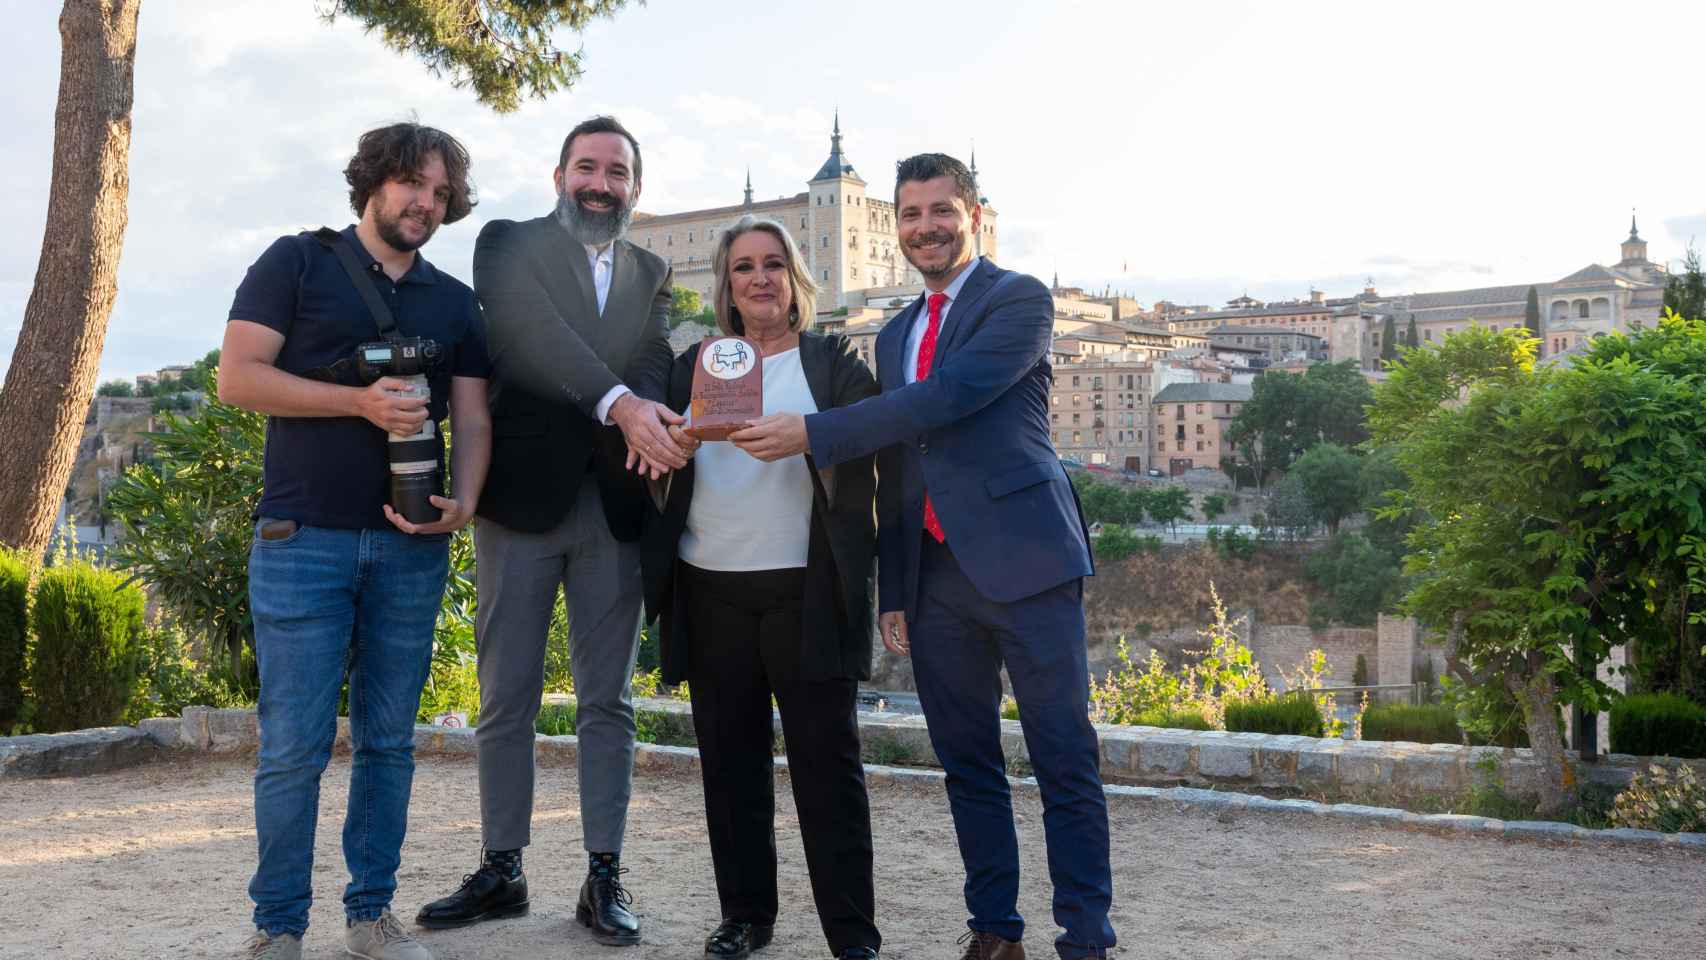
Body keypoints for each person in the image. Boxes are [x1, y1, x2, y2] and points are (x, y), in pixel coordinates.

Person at [732, 154, 1116, 960]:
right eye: (909, 215)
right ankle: (994, 932)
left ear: (972, 214)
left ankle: (1085, 937)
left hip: (1030, 564)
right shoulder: (897, 330)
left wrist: (815, 433)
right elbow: (902, 466)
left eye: (940, 210)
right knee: (967, 764)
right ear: (895, 226)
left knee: (1063, 760)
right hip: (936, 579)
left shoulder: (1019, 299)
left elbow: (950, 398)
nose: (924, 227)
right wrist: (893, 588)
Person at [220, 122, 492, 960]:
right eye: (413, 183)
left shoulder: (453, 300)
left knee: (388, 744)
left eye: (442, 193)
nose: (426, 203)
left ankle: (371, 915)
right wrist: (361, 404)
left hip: (411, 547)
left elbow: (475, 416)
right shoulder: (295, 262)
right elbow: (238, 379)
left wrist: (466, 505)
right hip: (301, 538)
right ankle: (279, 930)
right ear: (374, 181)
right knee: (293, 748)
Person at [414, 115, 683, 947]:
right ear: (559, 174)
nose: (601, 183)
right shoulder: (506, 244)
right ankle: (503, 867)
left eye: (618, 172)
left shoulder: (652, 269)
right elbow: (535, 338)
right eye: (588, 167)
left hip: (616, 503)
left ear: (635, 188)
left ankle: (604, 875)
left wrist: (641, 400)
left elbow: (648, 359)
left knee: (610, 701)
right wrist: (624, 406)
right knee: (506, 696)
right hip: (520, 503)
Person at [640, 215, 881, 960]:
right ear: (727, 286)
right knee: (729, 765)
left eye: (773, 264)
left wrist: (809, 436)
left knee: (827, 769)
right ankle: (746, 916)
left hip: (808, 592)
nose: (759, 278)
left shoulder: (832, 359)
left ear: (795, 278)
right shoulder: (694, 365)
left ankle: (852, 934)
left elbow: (876, 435)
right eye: (743, 267)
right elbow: (650, 461)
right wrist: (668, 445)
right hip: (711, 589)